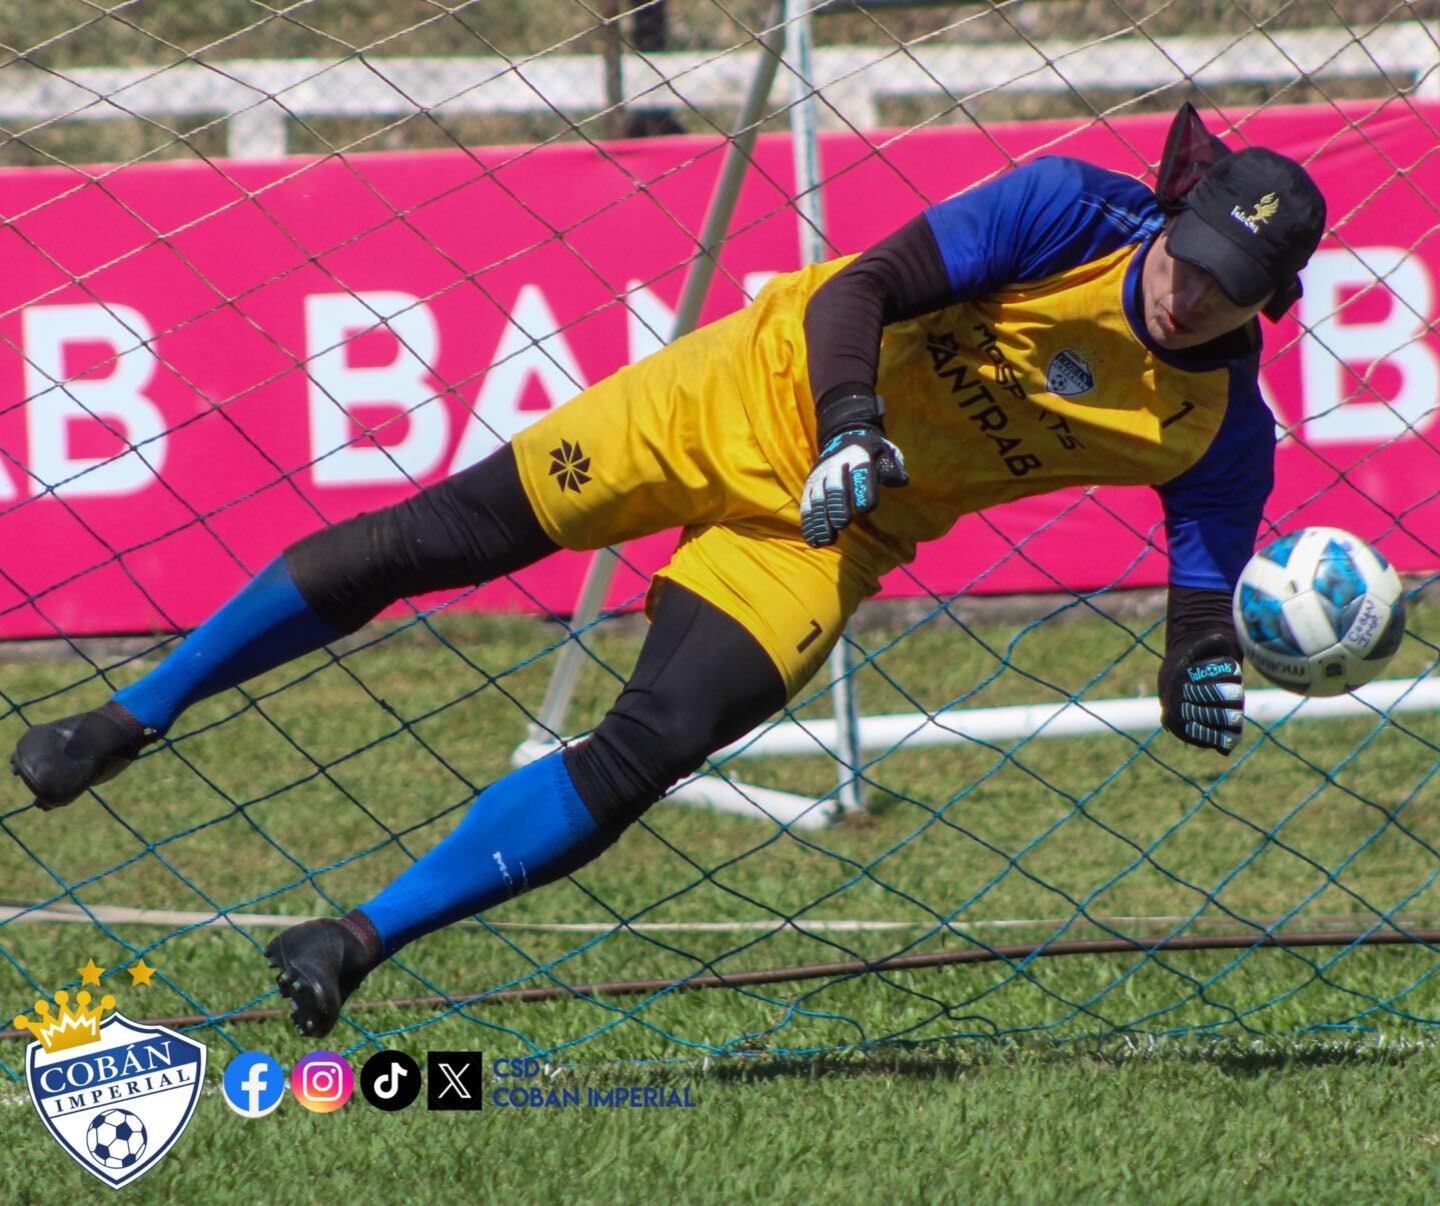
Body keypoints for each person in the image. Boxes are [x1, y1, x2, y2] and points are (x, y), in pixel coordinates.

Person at [10, 103, 1326, 1038]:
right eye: (1192, 262)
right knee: (440, 537)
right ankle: (136, 711)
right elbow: (853, 292)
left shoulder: (1222, 432)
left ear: (1266, 301)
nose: (1191, 298)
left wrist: (1197, 672)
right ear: (1176, 212)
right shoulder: (1067, 211)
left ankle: (353, 940)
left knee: (659, 741)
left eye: (1228, 291)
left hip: (829, 536)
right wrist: (854, 421)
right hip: (732, 400)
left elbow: (1198, 604)